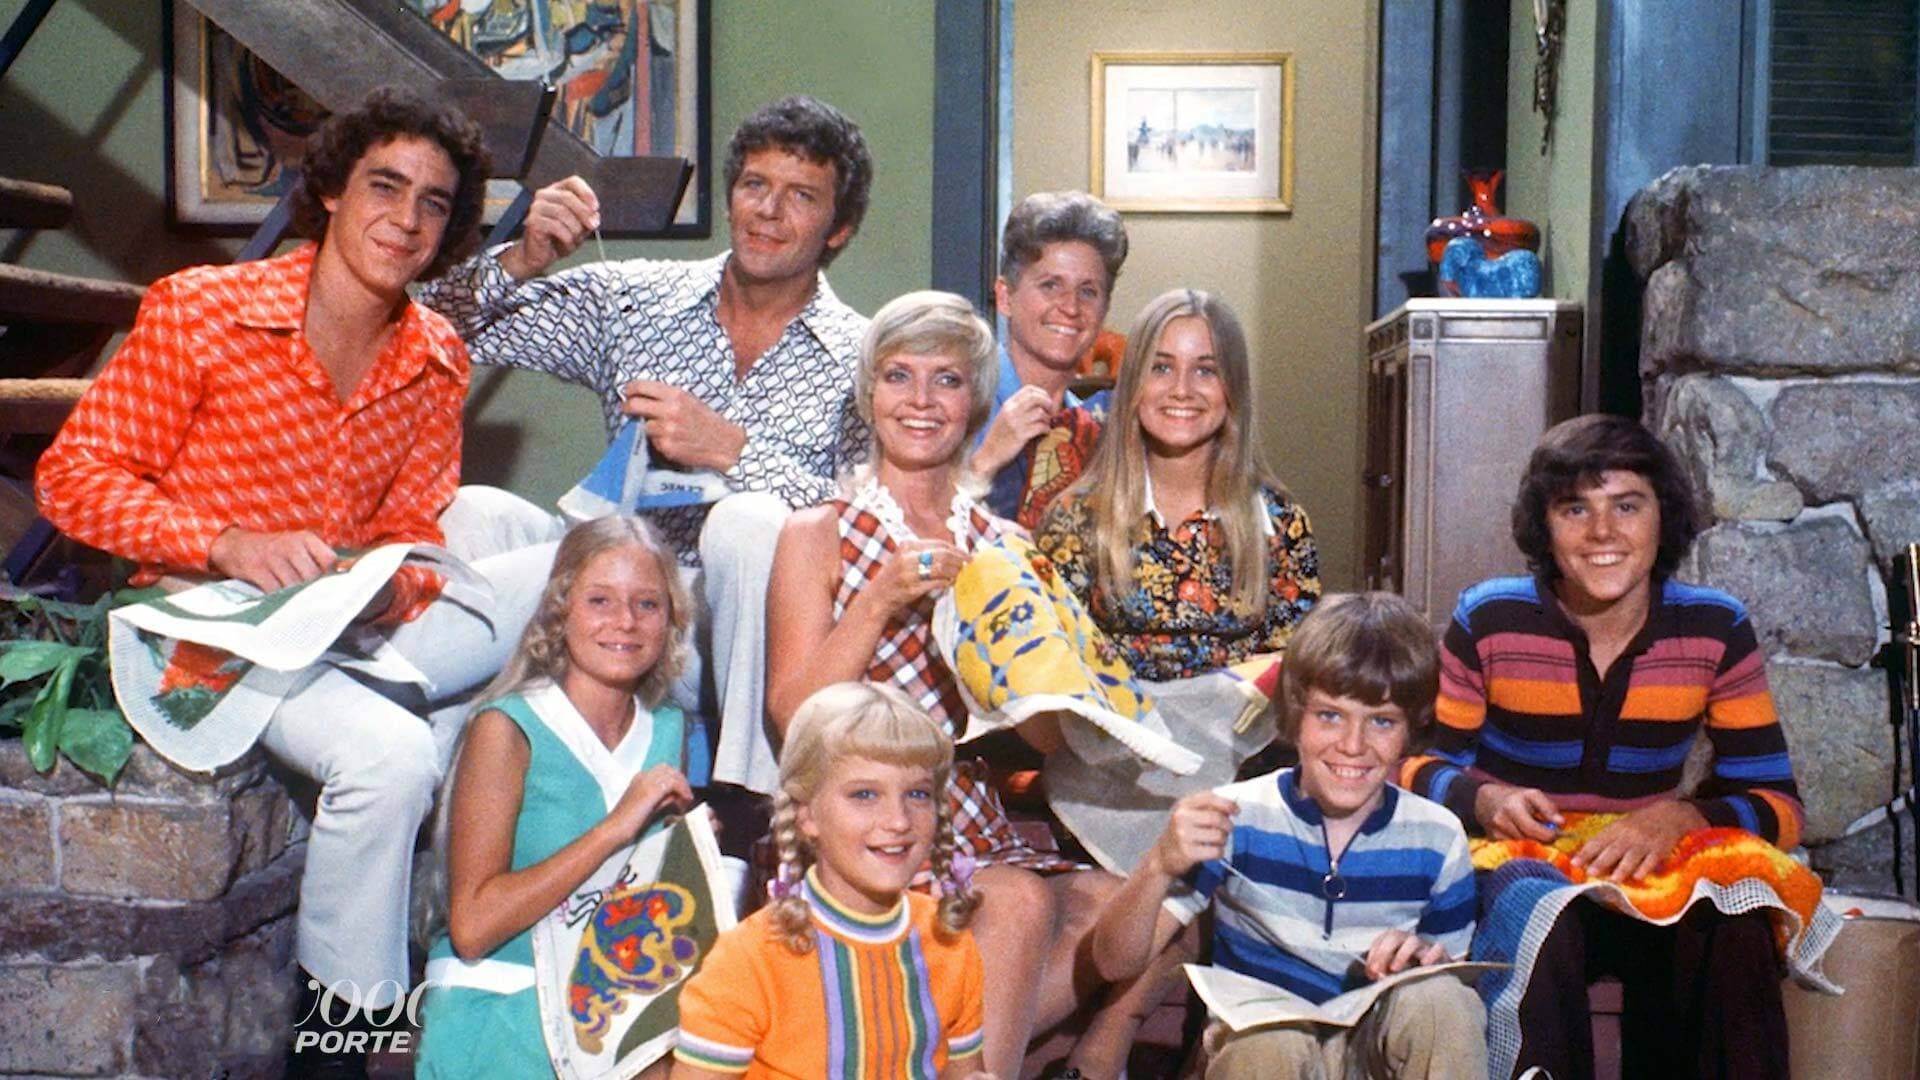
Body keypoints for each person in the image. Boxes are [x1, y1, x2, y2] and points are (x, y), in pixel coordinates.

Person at [29, 87, 560, 1076]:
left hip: (340, 627)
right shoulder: (202, 311)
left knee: (578, 552)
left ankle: (401, 708)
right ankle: (338, 1054)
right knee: (393, 758)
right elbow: (72, 480)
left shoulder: (435, 356)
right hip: (202, 630)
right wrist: (225, 541)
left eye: (435, 203)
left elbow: (411, 528)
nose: (406, 219)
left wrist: (387, 589)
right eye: (384, 187)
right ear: (330, 192)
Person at [420, 95, 874, 804]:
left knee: (750, 521)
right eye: (754, 185)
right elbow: (427, 327)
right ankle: (437, 791)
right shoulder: (634, 298)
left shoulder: (864, 358)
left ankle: (754, 807)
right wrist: (522, 258)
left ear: (837, 229)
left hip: (730, 640)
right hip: (610, 594)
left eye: (801, 197)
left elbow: (867, 526)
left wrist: (734, 453)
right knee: (476, 510)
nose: (767, 211)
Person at [766, 290, 1161, 1078]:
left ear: (975, 401)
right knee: (1017, 901)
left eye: (945, 380)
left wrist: (1053, 682)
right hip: (859, 808)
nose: (920, 400)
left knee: (1122, 905)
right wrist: (879, 599)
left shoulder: (1004, 544)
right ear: (868, 394)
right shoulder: (818, 531)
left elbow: (1044, 738)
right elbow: (793, 718)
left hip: (970, 812)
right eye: (898, 376)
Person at [1400, 413, 1806, 1079]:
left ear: (1663, 517)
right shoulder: (1490, 617)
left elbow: (1780, 807)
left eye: (1627, 506)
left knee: (1735, 920)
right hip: (1520, 871)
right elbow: (1413, 768)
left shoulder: (1715, 627)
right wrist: (1485, 798)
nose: (1602, 533)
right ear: (1545, 527)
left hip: (1649, 880)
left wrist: (1682, 817)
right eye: (1574, 509)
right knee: (1537, 904)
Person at [1090, 592, 1485, 1079]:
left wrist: (1426, 963)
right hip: (1264, 1053)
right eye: (1330, 715)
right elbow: (1113, 962)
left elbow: (1453, 1006)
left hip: (1373, 1058)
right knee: (1269, 1042)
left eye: (1382, 721)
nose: (1353, 745)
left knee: (1443, 1000)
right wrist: (1157, 865)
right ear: (1296, 714)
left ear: (1411, 730)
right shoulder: (1237, 817)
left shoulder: (1438, 837)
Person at [416, 515, 694, 1078]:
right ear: (560, 610)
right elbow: (472, 927)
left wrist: (685, 855)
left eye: (647, 604)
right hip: (502, 1005)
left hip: (613, 1012)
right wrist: (616, 829)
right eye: (600, 600)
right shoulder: (507, 727)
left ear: (670, 620)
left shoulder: (667, 728)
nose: (625, 621)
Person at [670, 682, 990, 1080]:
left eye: (918, 795)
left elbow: (964, 1073)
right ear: (807, 815)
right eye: (865, 794)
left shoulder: (949, 942)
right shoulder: (750, 959)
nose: (898, 820)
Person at [1034, 288, 1320, 682]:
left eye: (1206, 370)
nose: (1182, 389)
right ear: (1132, 385)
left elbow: (1298, 678)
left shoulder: (1282, 522)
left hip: (1246, 723)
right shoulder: (1075, 517)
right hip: (1107, 720)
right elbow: (1050, 667)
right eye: (1161, 368)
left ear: (1233, 388)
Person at [968, 190, 1129, 529]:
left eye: (1088, 291)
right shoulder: (955, 404)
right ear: (1005, 297)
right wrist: (984, 463)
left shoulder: (1097, 433)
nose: (1070, 307)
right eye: (1050, 285)